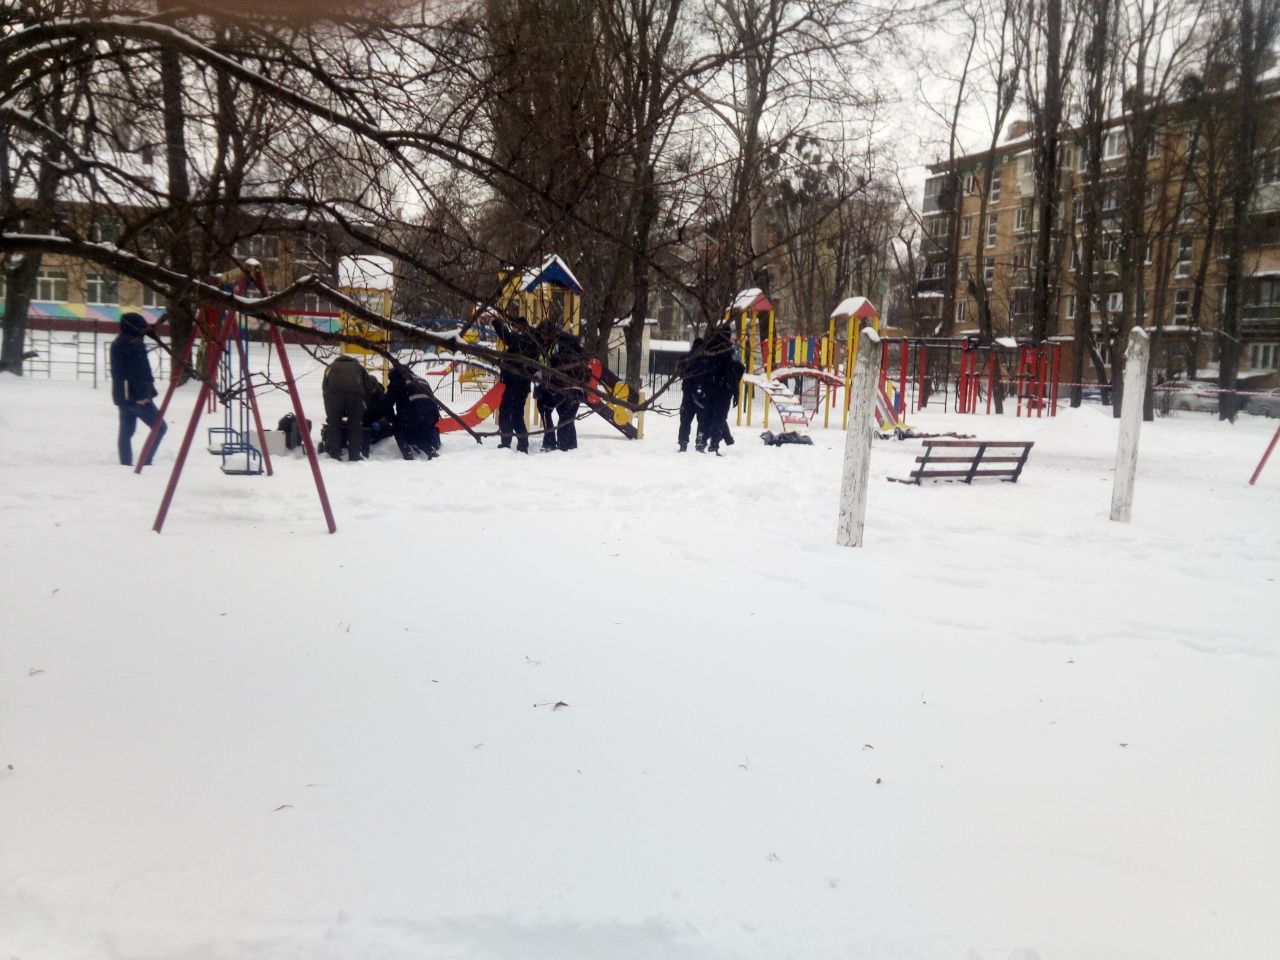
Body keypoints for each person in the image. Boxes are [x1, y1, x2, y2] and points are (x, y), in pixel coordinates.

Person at [110, 311, 166, 466]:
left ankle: (125, 464)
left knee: (126, 433)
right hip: (137, 396)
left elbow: (120, 372)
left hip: (123, 395)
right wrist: (142, 396)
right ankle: (145, 461)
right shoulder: (133, 345)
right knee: (160, 427)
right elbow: (137, 372)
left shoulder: (118, 343)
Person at [493, 301, 539, 453]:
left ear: (519, 329)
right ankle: (520, 444)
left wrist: (496, 321)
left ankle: (511, 443)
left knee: (508, 413)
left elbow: (507, 337)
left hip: (515, 384)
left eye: (514, 327)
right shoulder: (528, 342)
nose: (513, 330)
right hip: (519, 384)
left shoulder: (524, 340)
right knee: (516, 415)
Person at [697, 330, 745, 455]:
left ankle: (702, 442)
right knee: (720, 418)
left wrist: (702, 387)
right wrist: (735, 391)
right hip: (724, 390)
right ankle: (713, 445)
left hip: (710, 388)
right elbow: (737, 369)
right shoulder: (728, 351)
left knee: (708, 416)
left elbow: (703, 369)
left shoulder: (710, 350)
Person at [540, 329, 588, 451]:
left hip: (562, 393)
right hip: (577, 394)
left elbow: (551, 374)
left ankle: (563, 447)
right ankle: (571, 446)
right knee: (569, 420)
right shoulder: (580, 358)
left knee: (564, 421)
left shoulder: (558, 358)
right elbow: (587, 375)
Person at [322, 353, 372, 461]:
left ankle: (334, 454)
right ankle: (354, 455)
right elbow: (368, 386)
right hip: (356, 395)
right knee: (355, 425)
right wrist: (363, 406)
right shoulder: (359, 367)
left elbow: (325, 388)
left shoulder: (331, 367)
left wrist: (330, 413)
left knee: (334, 425)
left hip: (334, 395)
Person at [385, 364, 441, 460]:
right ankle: (430, 450)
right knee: (417, 433)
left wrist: (392, 420)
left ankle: (408, 455)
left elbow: (386, 404)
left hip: (414, 414)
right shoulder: (421, 380)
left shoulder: (398, 381)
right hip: (431, 416)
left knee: (397, 428)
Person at [676, 337, 706, 453]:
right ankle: (700, 443)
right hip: (701, 395)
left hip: (688, 394)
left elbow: (680, 373)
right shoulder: (706, 361)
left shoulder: (686, 359)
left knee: (685, 420)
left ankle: (683, 443)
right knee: (702, 421)